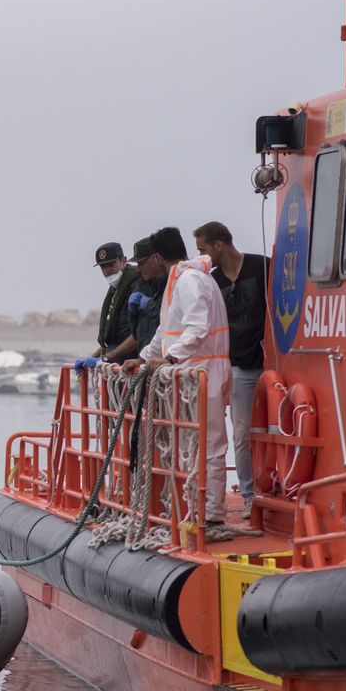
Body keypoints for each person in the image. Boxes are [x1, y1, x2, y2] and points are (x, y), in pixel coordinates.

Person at [123, 226, 232, 527]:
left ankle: (211, 513)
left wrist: (169, 359)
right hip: (190, 374)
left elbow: (197, 328)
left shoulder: (190, 281)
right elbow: (167, 329)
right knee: (190, 444)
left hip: (203, 372)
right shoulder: (180, 281)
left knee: (208, 445)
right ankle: (194, 505)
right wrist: (144, 358)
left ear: (158, 256)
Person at [196, 221, 268, 503]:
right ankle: (249, 494)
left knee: (274, 430)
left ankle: (274, 487)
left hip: (270, 363)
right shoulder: (212, 281)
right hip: (238, 365)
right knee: (241, 434)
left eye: (203, 249)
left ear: (218, 245)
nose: (201, 256)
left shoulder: (262, 267)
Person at [91, 242, 142, 362]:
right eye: (103, 267)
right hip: (114, 362)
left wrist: (106, 358)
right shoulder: (116, 289)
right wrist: (92, 358)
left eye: (111, 264)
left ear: (124, 260)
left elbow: (139, 333)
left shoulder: (137, 286)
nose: (108, 270)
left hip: (130, 362)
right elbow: (112, 338)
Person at [125, 237, 167, 354]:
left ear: (156, 258)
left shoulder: (171, 285)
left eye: (141, 263)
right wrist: (133, 314)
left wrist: (150, 306)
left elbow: (169, 326)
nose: (138, 269)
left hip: (162, 359)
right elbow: (137, 335)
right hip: (146, 358)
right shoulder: (143, 286)